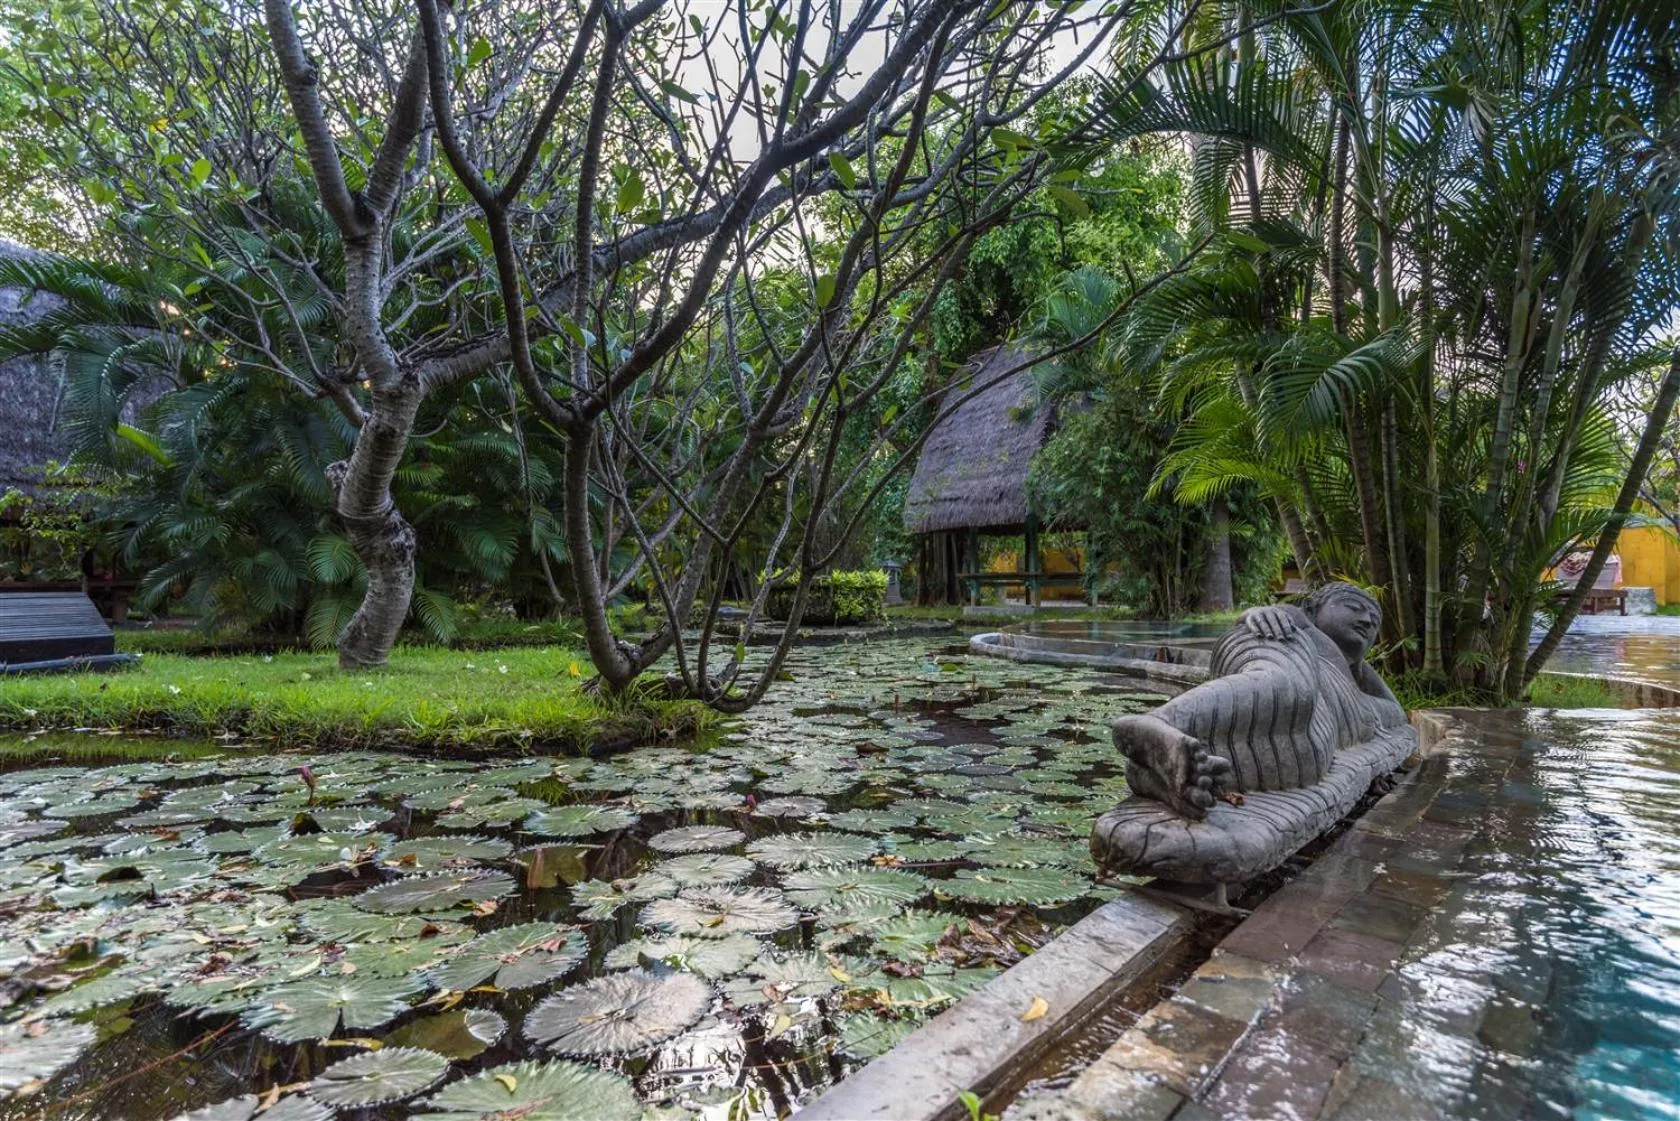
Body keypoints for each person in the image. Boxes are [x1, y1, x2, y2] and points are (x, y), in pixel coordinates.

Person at [1112, 582, 1407, 820]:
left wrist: (1359, 667)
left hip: (1319, 712)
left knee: (1306, 758)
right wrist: (1259, 612)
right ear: (1312, 609)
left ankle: (1165, 778)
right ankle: (1157, 723)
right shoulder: (1299, 625)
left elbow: (1395, 712)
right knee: (1289, 690)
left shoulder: (1354, 684)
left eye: (1374, 621)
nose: (1366, 620)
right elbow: (1277, 615)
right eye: (1354, 608)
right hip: (1279, 650)